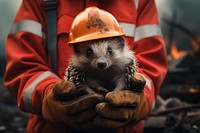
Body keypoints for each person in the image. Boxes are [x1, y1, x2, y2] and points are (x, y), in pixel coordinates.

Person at [4, 0, 167, 133]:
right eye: (89, 53)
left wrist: (139, 98)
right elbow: (23, 67)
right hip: (53, 128)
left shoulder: (141, 2)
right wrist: (49, 96)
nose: (101, 62)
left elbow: (151, 66)